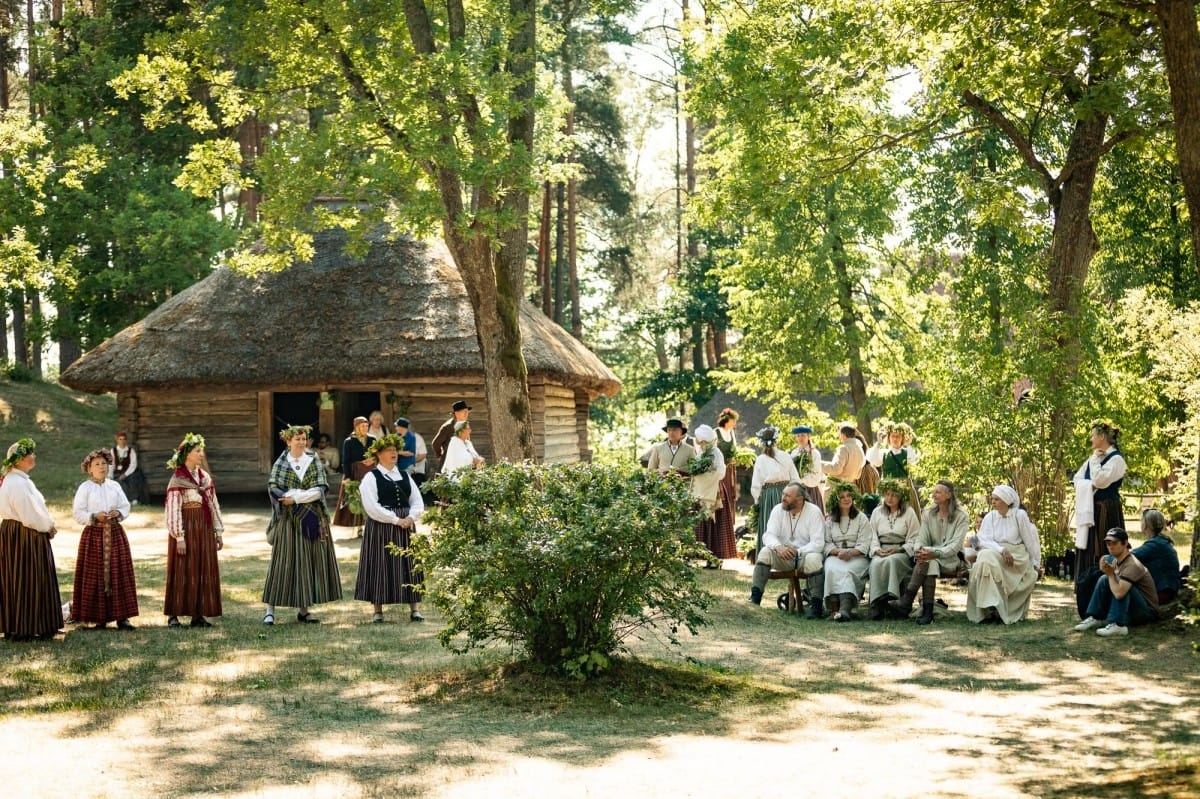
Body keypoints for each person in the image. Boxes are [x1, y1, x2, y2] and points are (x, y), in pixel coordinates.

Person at [262, 425, 342, 625]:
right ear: (288, 441)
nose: (301, 442)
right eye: (297, 439)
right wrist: (291, 497)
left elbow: (320, 489)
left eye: (303, 439)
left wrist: (295, 497)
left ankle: (304, 611)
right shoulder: (281, 462)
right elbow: (274, 488)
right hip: (287, 519)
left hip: (310, 517)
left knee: (307, 561)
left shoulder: (313, 460)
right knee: (282, 562)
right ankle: (269, 610)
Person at [355, 434, 425, 622]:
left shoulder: (404, 475)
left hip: (405, 526)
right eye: (389, 450)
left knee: (409, 565)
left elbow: (417, 500)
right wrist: (394, 520)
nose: (394, 453)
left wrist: (411, 517)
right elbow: (371, 506)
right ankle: (378, 611)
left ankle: (415, 608)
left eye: (395, 450)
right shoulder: (371, 477)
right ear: (378, 454)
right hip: (381, 527)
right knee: (380, 565)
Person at [0, 438, 63, 641]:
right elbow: (29, 513)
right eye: (29, 454)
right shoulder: (16, 482)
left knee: (21, 577)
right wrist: (47, 527)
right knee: (26, 577)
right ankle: (23, 627)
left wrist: (48, 523)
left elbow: (35, 508)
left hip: (19, 531)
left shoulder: (19, 480)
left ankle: (26, 625)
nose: (33, 457)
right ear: (19, 460)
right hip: (24, 534)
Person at [71, 448, 137, 630]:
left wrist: (119, 512)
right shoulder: (85, 488)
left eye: (103, 464)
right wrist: (94, 516)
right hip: (94, 536)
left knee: (119, 573)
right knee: (95, 575)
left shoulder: (114, 486)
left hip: (115, 534)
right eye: (96, 464)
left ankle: (122, 618)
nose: (101, 467)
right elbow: (77, 513)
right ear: (89, 468)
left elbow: (125, 506)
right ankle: (98, 618)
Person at [163, 433, 225, 628]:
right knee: (181, 568)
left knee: (202, 567)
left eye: (201, 450)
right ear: (187, 454)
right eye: (197, 451)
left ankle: (198, 614)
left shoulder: (204, 477)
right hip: (186, 526)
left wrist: (218, 530)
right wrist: (179, 536)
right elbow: (173, 509)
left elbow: (213, 503)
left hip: (204, 526)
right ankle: (174, 615)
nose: (201, 454)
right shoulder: (178, 478)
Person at [889, 480, 969, 624]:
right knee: (929, 562)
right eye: (934, 491)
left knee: (929, 561)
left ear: (949, 495)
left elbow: (955, 546)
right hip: (929, 558)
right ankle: (926, 613)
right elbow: (921, 538)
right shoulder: (928, 513)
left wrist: (934, 552)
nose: (933, 495)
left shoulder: (961, 516)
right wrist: (919, 550)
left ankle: (907, 601)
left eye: (938, 492)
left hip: (951, 559)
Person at [965, 484, 1040, 625]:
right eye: (992, 499)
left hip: (1016, 555)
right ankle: (989, 607)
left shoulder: (1020, 515)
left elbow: (1029, 541)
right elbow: (981, 539)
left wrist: (1035, 562)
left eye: (997, 499)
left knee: (985, 557)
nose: (993, 502)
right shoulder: (990, 517)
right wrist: (1001, 549)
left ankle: (995, 608)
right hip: (995, 552)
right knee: (984, 558)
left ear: (1006, 500)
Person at [748, 482, 825, 614]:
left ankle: (816, 607)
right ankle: (755, 599)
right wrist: (778, 547)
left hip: (804, 557)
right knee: (765, 552)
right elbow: (768, 535)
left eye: (788, 495)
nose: (783, 497)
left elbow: (818, 543)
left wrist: (798, 551)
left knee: (814, 559)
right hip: (783, 556)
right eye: (783, 494)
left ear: (800, 499)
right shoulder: (778, 510)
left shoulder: (814, 512)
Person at [1071, 419, 1126, 590]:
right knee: (1089, 546)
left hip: (1107, 509)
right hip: (1091, 508)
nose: (1091, 440)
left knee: (1105, 544)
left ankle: (1107, 585)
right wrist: (1088, 485)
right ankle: (1086, 586)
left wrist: (1094, 474)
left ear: (1102, 437)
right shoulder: (1093, 458)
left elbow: (1100, 481)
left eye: (1093, 436)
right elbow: (1077, 478)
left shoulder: (1116, 460)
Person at [1074, 528, 1159, 637]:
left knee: (1117, 583)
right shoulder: (1116, 560)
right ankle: (1096, 617)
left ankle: (1118, 625)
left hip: (1147, 612)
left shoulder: (1132, 564)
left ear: (1125, 544)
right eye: (1108, 543)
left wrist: (1110, 574)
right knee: (1104, 578)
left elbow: (1119, 594)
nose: (1110, 546)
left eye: (1114, 543)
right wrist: (1105, 568)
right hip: (1132, 607)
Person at [865, 479, 921, 620]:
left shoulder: (909, 512)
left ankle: (893, 602)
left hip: (900, 551)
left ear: (900, 496)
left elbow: (915, 537)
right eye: (887, 494)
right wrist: (877, 550)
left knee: (891, 561)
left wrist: (900, 549)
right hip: (882, 549)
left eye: (894, 495)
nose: (889, 498)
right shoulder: (877, 512)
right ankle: (877, 604)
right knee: (876, 564)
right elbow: (871, 535)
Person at [822, 482, 872, 621]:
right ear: (836, 500)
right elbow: (826, 543)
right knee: (831, 568)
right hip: (836, 555)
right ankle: (833, 610)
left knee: (847, 572)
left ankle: (845, 610)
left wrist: (850, 553)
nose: (846, 499)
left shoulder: (861, 518)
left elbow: (865, 543)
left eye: (849, 495)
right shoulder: (830, 520)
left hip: (857, 556)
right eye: (842, 496)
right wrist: (838, 552)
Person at [690, 425, 736, 563]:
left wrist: (707, 475)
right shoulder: (701, 452)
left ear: (703, 439)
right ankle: (706, 556)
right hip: (702, 491)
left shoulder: (715, 452)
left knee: (714, 521)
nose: (697, 441)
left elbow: (721, 472)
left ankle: (715, 558)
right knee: (703, 521)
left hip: (714, 491)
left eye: (699, 438)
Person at [750, 426, 800, 551]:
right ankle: (787, 555)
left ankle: (767, 556)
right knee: (786, 524)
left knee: (769, 524)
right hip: (787, 493)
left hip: (768, 495)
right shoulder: (785, 456)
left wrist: (757, 502)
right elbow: (795, 478)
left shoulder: (760, 459)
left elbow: (756, 484)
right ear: (776, 440)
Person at [866, 421, 920, 515]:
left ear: (902, 438)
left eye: (898, 436)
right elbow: (873, 461)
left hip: (904, 487)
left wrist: (908, 445)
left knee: (906, 513)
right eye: (892, 436)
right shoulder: (883, 453)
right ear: (889, 438)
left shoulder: (907, 452)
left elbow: (912, 462)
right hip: (887, 487)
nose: (895, 439)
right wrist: (878, 442)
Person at [333, 416, 376, 530]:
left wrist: (373, 459)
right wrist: (348, 477)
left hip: (370, 471)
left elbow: (378, 455)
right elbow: (346, 461)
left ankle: (370, 525)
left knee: (371, 497)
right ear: (356, 427)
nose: (365, 428)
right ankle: (359, 528)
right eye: (362, 426)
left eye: (367, 426)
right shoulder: (349, 441)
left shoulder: (372, 439)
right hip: (355, 472)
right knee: (357, 499)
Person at [1132, 509, 1182, 604]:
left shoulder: (1156, 544)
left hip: (1162, 593)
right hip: (1166, 590)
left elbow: (1129, 556)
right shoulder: (1161, 541)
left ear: (1145, 525)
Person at [823, 421, 874, 495]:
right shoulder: (859, 449)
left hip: (836, 488)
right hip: (850, 487)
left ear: (843, 435)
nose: (839, 436)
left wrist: (818, 463)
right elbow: (858, 474)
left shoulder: (844, 448)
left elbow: (836, 469)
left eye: (839, 434)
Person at [431, 400, 472, 473]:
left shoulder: (464, 425)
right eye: (464, 412)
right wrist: (440, 456)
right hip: (449, 462)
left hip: (462, 462)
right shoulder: (448, 427)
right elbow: (435, 443)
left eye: (467, 411)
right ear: (456, 413)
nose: (466, 414)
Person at [789, 425, 825, 507]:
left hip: (810, 489)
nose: (800, 438)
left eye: (803, 435)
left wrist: (803, 480)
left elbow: (816, 473)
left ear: (808, 436)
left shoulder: (814, 453)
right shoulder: (794, 453)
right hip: (796, 489)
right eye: (798, 436)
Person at [110, 431, 150, 506]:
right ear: (117, 440)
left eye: (124, 439)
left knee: (133, 480)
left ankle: (133, 499)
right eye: (120, 439)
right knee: (118, 482)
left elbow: (133, 464)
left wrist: (125, 474)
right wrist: (110, 475)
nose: (122, 441)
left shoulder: (131, 451)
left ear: (126, 440)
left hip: (129, 471)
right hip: (118, 472)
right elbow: (111, 464)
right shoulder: (113, 451)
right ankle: (125, 500)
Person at [715, 408, 740, 504]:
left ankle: (730, 518)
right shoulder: (716, 432)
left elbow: (735, 449)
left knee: (730, 493)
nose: (734, 423)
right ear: (727, 420)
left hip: (729, 469)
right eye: (733, 420)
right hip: (719, 470)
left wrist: (733, 458)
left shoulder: (731, 433)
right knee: (722, 494)